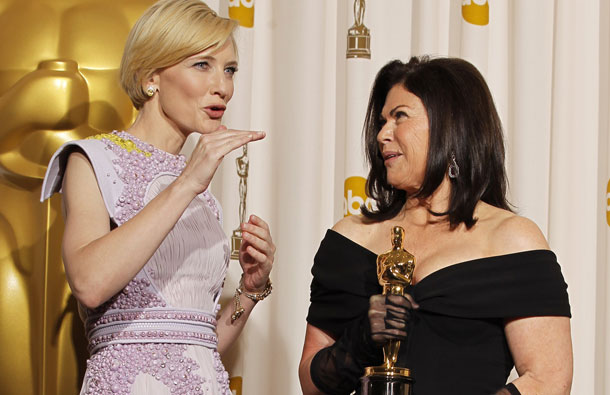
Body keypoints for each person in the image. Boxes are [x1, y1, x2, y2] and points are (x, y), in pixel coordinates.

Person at [299, 56, 572, 395]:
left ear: (451, 125)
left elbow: (547, 380)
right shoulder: (350, 238)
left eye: (400, 116)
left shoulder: (512, 239)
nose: (383, 134)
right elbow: (310, 384)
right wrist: (359, 341)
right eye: (383, 121)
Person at [40, 1, 275, 394]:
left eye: (230, 69)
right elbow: (89, 283)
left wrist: (252, 289)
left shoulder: (202, 195)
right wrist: (186, 184)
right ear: (152, 77)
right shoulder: (92, 159)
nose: (223, 86)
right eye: (203, 65)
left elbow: (197, 347)